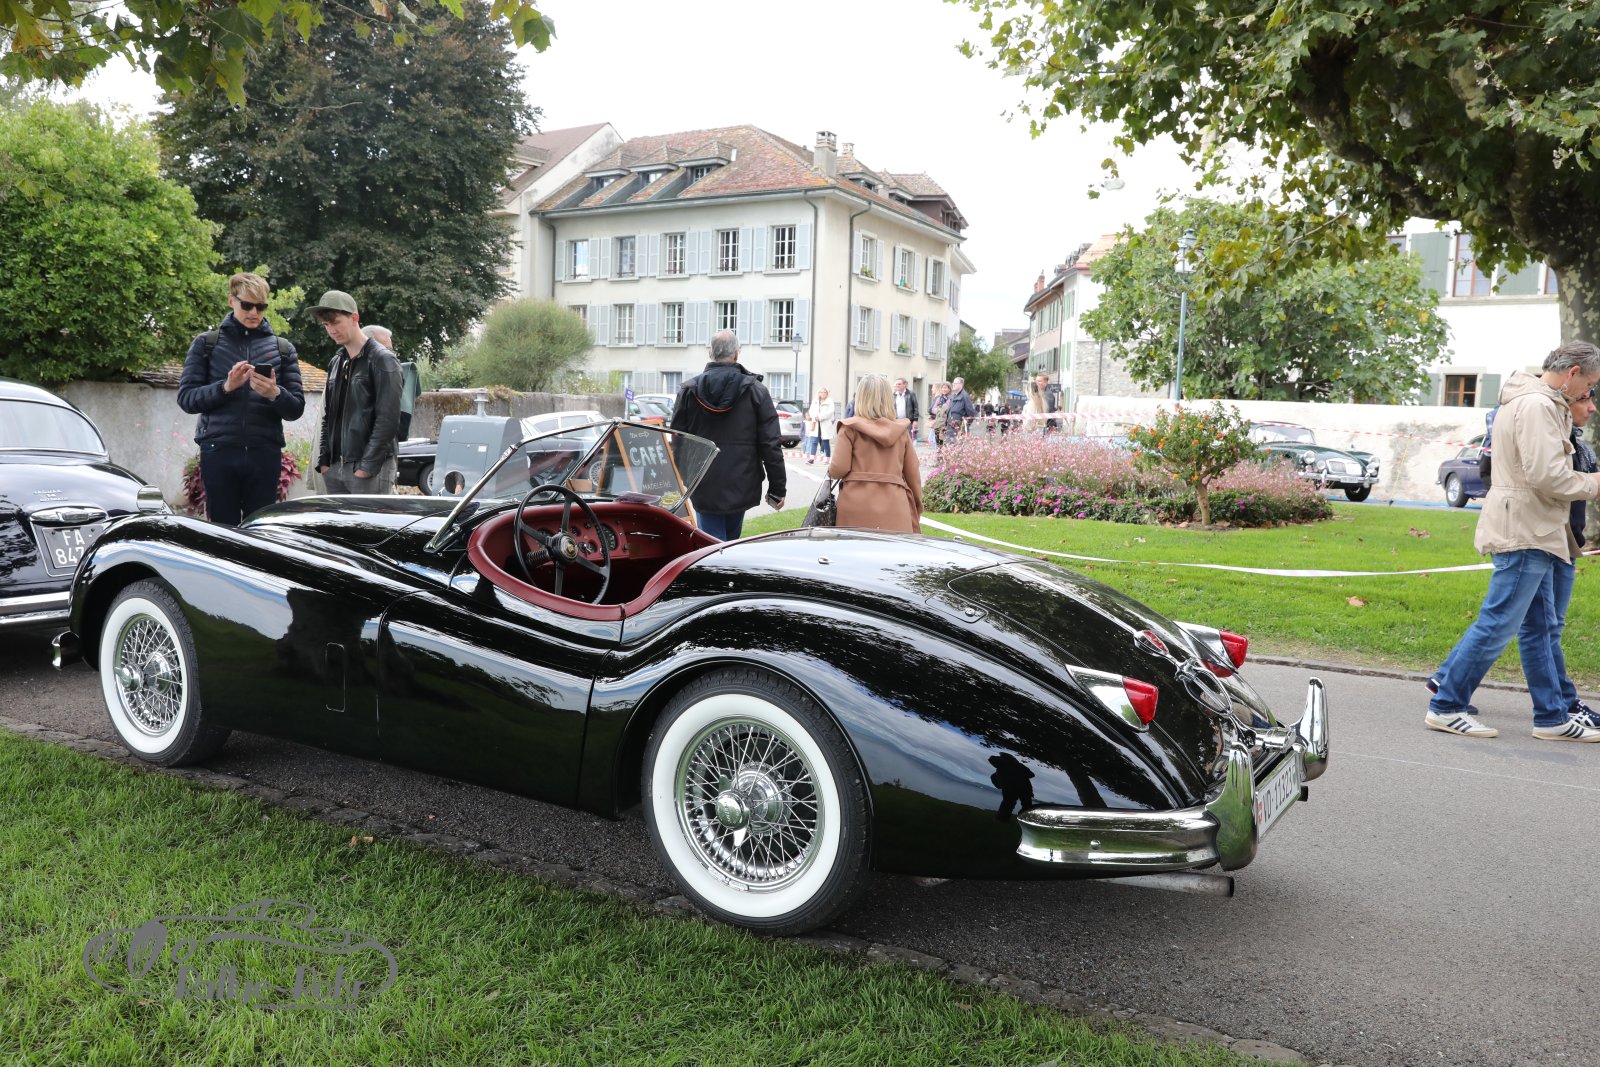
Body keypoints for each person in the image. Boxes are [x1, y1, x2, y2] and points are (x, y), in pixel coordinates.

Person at [1425, 341, 1600, 741]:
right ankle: (1447, 705)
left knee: (1540, 628)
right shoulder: (1537, 405)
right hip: (1525, 529)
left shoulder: (1537, 401)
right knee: (1499, 622)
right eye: (1589, 385)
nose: (1588, 395)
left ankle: (1552, 717)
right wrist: (1594, 483)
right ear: (1573, 372)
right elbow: (1547, 475)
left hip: (1535, 528)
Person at [177, 272, 306, 526]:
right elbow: (187, 399)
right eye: (247, 305)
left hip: (264, 453)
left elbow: (296, 409)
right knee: (222, 532)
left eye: (261, 307)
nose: (254, 312)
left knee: (260, 530)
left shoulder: (283, 349)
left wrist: (274, 393)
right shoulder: (206, 344)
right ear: (231, 301)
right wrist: (226, 387)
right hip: (219, 451)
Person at [669, 329, 785, 540]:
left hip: (704, 482)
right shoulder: (756, 391)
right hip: (741, 482)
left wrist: (686, 477)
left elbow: (677, 441)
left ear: (710, 353)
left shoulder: (688, 391)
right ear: (736, 354)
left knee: (712, 546)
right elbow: (771, 444)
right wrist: (777, 489)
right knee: (726, 545)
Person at [311, 290, 403, 494]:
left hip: (369, 469)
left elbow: (388, 419)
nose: (331, 330)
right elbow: (329, 417)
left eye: (336, 322)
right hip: (334, 468)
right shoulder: (336, 362)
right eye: (326, 325)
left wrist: (366, 467)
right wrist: (325, 461)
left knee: (369, 518)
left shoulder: (383, 359)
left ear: (354, 318)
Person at [828, 374, 921, 533]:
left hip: (854, 504)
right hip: (895, 506)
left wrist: (830, 470)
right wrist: (917, 506)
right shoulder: (901, 432)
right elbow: (913, 475)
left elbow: (838, 469)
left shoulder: (849, 429)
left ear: (861, 397)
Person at [805, 387, 837, 464]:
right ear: (818, 393)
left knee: (825, 442)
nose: (822, 394)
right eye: (821, 392)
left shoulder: (830, 401)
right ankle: (811, 460)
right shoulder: (815, 401)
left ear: (827, 393)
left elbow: (830, 412)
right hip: (816, 424)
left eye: (824, 392)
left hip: (825, 424)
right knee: (814, 442)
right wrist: (814, 417)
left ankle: (828, 459)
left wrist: (820, 417)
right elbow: (811, 411)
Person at [944, 376, 978, 441]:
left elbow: (971, 414)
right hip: (950, 428)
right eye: (953, 383)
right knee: (949, 446)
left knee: (956, 447)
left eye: (955, 383)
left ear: (961, 384)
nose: (953, 384)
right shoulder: (953, 396)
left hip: (958, 430)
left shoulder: (965, 396)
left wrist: (963, 427)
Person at [929, 382, 951, 447]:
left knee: (944, 442)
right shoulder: (939, 398)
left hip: (946, 424)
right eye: (943, 388)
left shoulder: (951, 399)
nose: (944, 389)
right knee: (938, 443)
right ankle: (939, 453)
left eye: (945, 388)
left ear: (949, 389)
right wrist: (941, 410)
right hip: (938, 423)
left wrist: (939, 410)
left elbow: (948, 410)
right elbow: (932, 409)